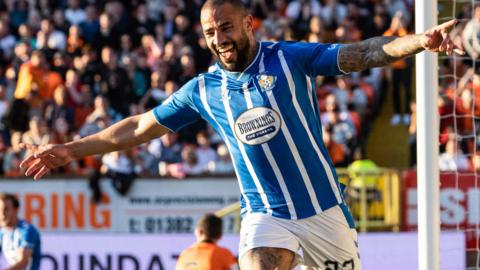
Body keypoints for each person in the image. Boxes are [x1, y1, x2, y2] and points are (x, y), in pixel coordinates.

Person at [19, 0, 463, 269]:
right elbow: (138, 127)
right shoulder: (204, 90)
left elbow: (362, 52)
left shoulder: (290, 58)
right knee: (256, 264)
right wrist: (70, 149)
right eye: (210, 32)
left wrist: (420, 41)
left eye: (226, 27)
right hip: (266, 213)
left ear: (249, 23)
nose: (219, 39)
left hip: (325, 211)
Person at [0, 193, 41, 270]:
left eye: (6, 209)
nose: (2, 214)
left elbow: (23, 262)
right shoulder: (2, 233)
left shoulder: (27, 230)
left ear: (16, 210)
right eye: (0, 210)